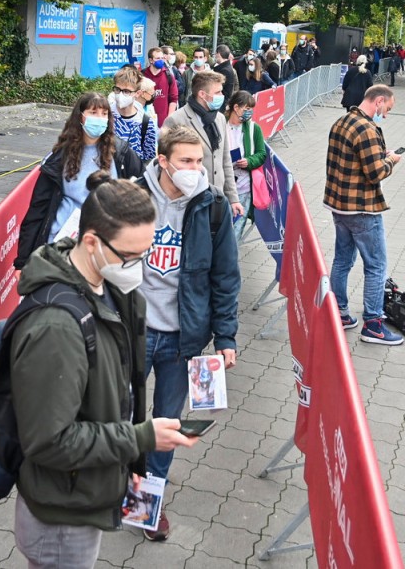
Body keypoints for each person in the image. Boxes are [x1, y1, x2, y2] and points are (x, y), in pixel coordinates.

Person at [10, 173, 199, 567]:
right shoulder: (55, 328)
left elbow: (112, 393)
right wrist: (139, 438)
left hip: (87, 488)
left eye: (146, 253)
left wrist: (128, 461)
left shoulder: (107, 284)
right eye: (131, 256)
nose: (141, 268)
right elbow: (49, 441)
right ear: (92, 241)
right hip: (62, 517)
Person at [136, 126, 240, 541]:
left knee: (166, 424)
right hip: (134, 333)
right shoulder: (131, 198)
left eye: (199, 162)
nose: (195, 170)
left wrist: (226, 337)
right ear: (163, 161)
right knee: (121, 418)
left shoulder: (211, 206)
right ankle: (115, 487)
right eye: (185, 162)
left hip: (184, 340)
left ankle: (147, 504)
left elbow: (226, 276)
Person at [15, 93, 145, 268]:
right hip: (63, 246)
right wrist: (22, 262)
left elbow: (143, 190)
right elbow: (37, 211)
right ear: (81, 117)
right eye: (93, 112)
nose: (99, 118)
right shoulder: (59, 158)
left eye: (104, 114)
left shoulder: (121, 153)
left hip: (106, 246)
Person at [323, 84, 404, 345]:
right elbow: (375, 173)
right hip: (362, 208)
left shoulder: (343, 120)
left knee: (343, 260)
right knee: (376, 265)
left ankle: (339, 312)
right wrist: (391, 161)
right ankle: (373, 324)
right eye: (387, 109)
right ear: (378, 101)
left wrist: (380, 156)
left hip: (338, 205)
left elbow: (354, 159)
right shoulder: (367, 129)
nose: (386, 115)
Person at [163, 69, 244, 217]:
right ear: (202, 94)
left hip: (217, 200)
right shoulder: (176, 120)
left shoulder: (219, 119)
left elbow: (225, 160)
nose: (222, 96)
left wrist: (233, 198)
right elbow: (166, 166)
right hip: (188, 202)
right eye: (218, 92)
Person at [225, 91, 267, 240]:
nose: (250, 112)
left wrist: (249, 161)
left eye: (251, 109)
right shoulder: (220, 125)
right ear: (236, 108)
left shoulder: (253, 128)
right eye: (247, 108)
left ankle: (230, 261)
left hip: (243, 188)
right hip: (223, 188)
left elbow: (262, 154)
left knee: (236, 230)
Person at [111, 67, 157, 162]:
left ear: (137, 93)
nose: (120, 95)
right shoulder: (105, 116)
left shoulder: (146, 122)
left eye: (126, 91)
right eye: (117, 89)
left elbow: (149, 158)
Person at [143, 47, 179, 123]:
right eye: (158, 58)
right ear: (151, 60)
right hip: (145, 121)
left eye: (162, 58)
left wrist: (169, 118)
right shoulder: (143, 75)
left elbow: (174, 98)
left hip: (163, 121)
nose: (161, 60)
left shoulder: (168, 76)